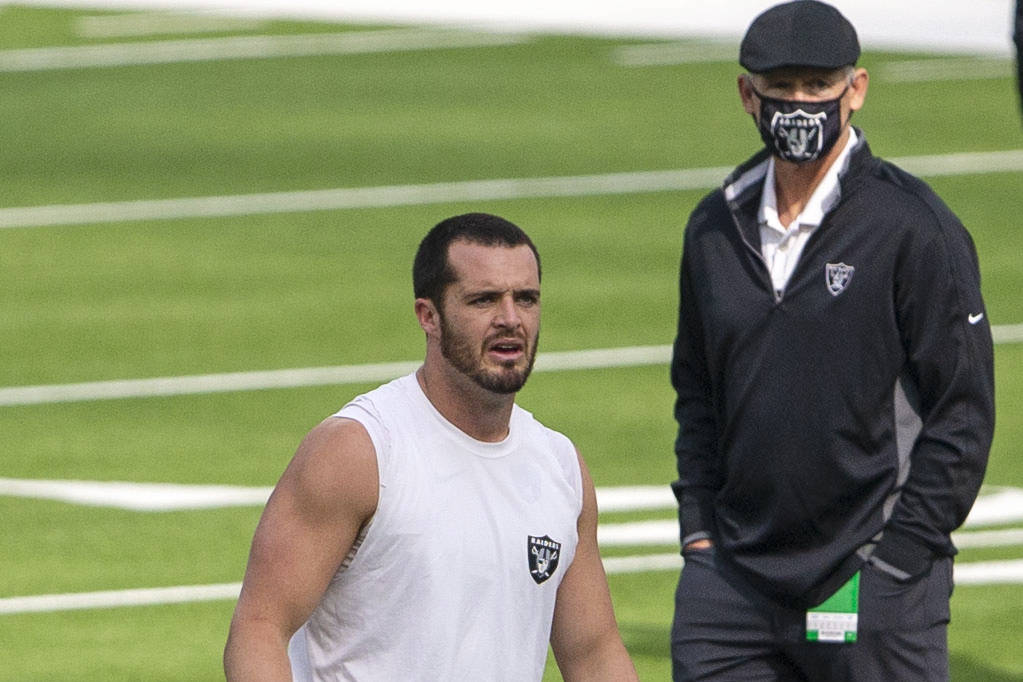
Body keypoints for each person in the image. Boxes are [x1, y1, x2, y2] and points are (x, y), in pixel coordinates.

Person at [668, 2, 995, 680]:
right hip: (730, 585)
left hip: (863, 576)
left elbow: (961, 412)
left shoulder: (913, 228)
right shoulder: (712, 227)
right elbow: (695, 392)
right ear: (745, 95)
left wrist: (899, 559)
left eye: (816, 87)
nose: (797, 105)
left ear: (856, 90)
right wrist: (698, 533)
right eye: (780, 87)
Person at [224, 212, 638, 681]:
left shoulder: (561, 467)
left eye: (526, 299)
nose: (510, 319)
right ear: (429, 316)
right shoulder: (359, 452)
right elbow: (260, 628)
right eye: (484, 300)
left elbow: (594, 653)